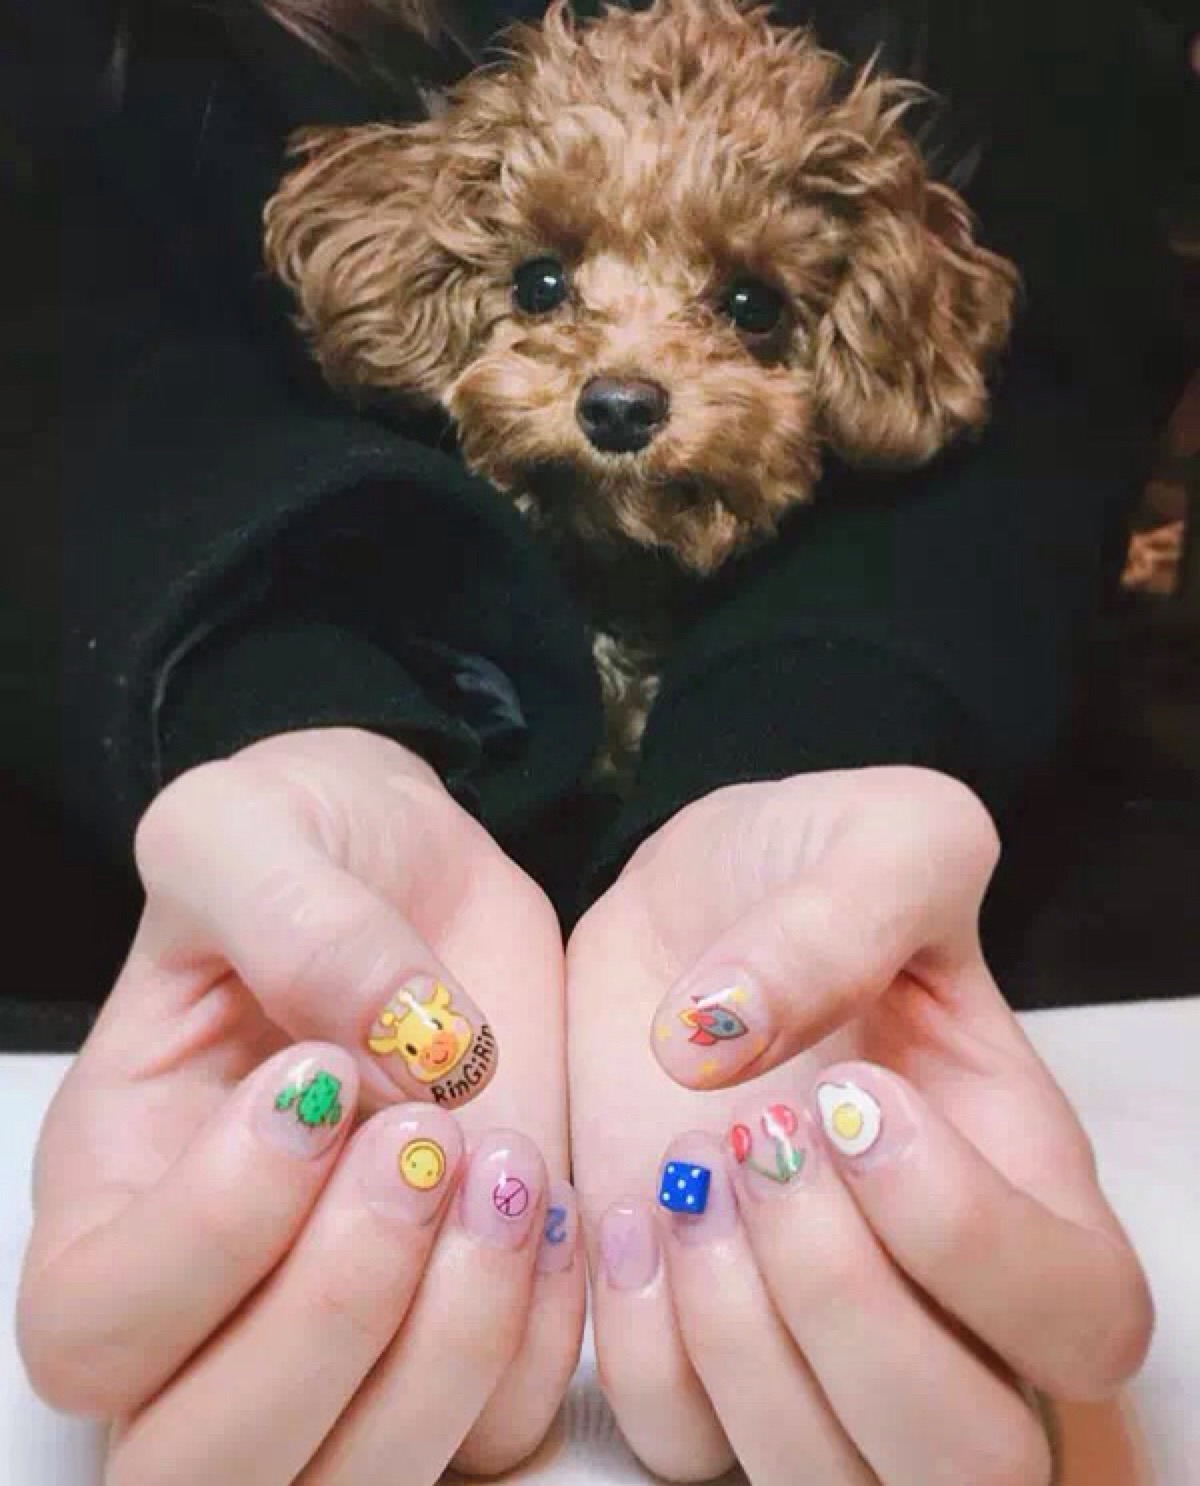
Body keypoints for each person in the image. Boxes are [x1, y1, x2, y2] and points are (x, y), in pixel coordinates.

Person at [6, 0, 1186, 1481]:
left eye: (745, 306)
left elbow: (1067, 346)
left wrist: (815, 753)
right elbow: (69, 333)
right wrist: (306, 720)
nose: (626, 374)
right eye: (549, 283)